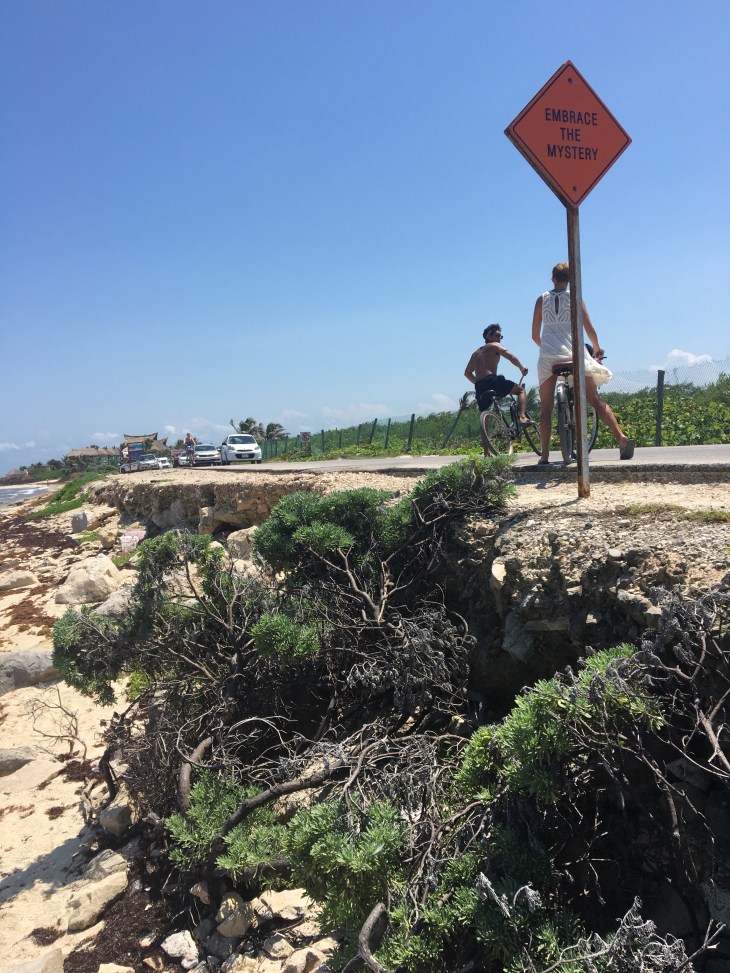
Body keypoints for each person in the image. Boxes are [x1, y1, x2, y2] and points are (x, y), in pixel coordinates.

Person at [532, 262, 634, 465]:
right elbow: (589, 329)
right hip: (574, 353)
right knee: (594, 399)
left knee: (546, 409)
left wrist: (548, 348)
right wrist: (597, 348)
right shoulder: (575, 298)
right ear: (570, 279)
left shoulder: (541, 299)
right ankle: (621, 437)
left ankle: (544, 455)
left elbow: (535, 335)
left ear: (552, 278)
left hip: (548, 356)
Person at [464, 324, 532, 456]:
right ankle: (523, 417)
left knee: (485, 420)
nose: (500, 338)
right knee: (520, 391)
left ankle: (486, 453)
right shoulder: (494, 345)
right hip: (492, 380)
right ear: (488, 336)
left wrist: (478, 383)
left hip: (479, 386)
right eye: (497, 335)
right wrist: (521, 368)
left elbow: (467, 373)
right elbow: (510, 356)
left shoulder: (475, 353)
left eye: (501, 336)